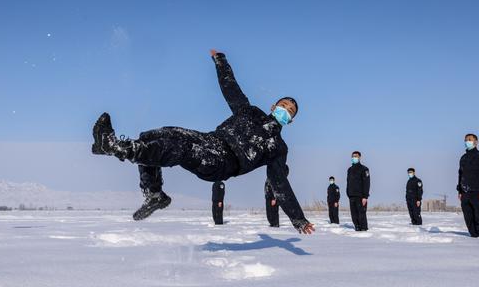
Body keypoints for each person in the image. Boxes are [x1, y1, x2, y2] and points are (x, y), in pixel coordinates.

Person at [91, 50, 315, 234]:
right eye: (283, 105)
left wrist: (298, 219)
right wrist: (221, 61)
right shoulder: (250, 112)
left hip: (223, 163)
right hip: (210, 139)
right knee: (154, 135)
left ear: (291, 121)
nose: (285, 110)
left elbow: (280, 184)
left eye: (290, 111)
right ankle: (154, 194)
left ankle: (114, 147)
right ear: (273, 106)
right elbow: (231, 88)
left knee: (178, 148)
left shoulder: (277, 147)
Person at [457, 133, 479, 237]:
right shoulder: (463, 158)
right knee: (468, 218)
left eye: (470, 139)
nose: (467, 141)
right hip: (465, 193)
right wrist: (460, 191)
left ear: (476, 142)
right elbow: (460, 175)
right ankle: (473, 237)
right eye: (466, 139)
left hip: (478, 192)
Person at [346, 151, 370, 231]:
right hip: (352, 196)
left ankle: (363, 229)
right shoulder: (349, 170)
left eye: (356, 156)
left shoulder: (364, 169)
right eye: (353, 156)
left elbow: (367, 183)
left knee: (361, 214)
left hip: (361, 196)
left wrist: (365, 196)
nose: (354, 158)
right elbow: (348, 182)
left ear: (359, 157)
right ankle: (357, 228)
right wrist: (348, 193)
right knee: (354, 215)